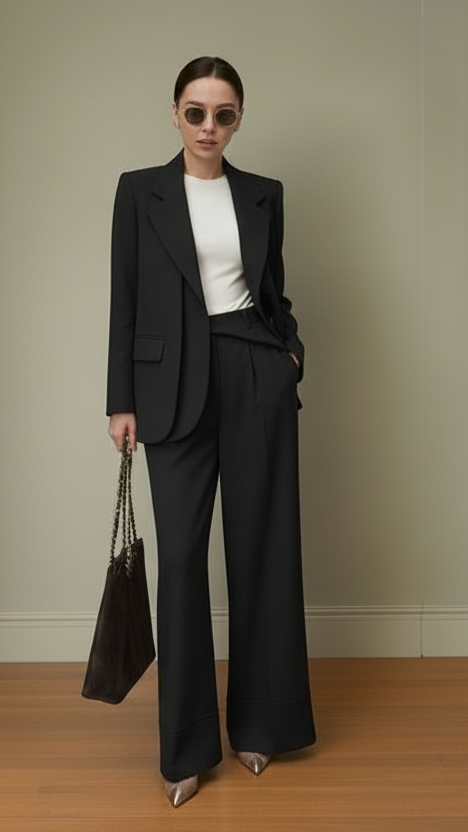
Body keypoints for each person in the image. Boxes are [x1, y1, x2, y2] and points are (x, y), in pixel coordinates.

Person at [107, 55, 316, 808]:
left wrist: (288, 352)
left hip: (254, 374)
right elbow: (123, 300)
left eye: (223, 114)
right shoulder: (140, 192)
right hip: (169, 390)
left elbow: (272, 291)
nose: (208, 127)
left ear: (237, 120)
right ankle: (186, 749)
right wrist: (119, 399)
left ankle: (262, 724)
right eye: (195, 112)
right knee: (183, 563)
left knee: (263, 551)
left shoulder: (263, 195)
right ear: (175, 113)